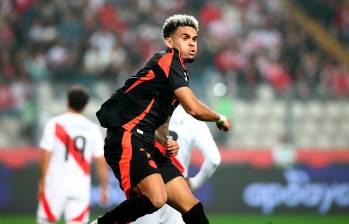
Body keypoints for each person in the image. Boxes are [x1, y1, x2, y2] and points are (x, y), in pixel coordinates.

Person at [93, 14, 232, 224]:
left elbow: (162, 121)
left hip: (147, 141)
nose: (192, 44)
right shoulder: (167, 60)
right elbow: (193, 109)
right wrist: (219, 117)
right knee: (156, 198)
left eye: (194, 39)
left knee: (192, 207)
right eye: (185, 38)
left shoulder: (180, 72)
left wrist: (164, 141)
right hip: (127, 138)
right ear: (169, 41)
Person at [133, 104, 221, 224]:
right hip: (177, 188)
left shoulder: (145, 112)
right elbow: (214, 159)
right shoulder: (195, 121)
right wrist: (195, 183)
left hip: (147, 185)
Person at [37, 85, 109, 224]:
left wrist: (41, 183)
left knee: (46, 221)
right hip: (79, 187)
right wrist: (104, 188)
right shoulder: (92, 128)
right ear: (85, 105)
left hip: (55, 184)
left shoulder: (54, 124)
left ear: (67, 101)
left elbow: (45, 156)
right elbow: (100, 161)